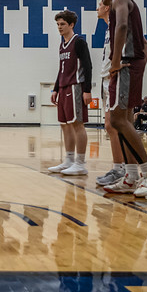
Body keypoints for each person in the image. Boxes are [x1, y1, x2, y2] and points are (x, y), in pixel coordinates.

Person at [100, 0, 147, 197]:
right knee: (123, 122)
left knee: (117, 120)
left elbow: (124, 25)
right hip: (130, 66)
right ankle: (131, 176)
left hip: (124, 66)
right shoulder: (123, 4)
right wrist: (140, 66)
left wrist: (116, 61)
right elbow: (145, 44)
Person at [47, 10, 92, 175]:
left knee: (77, 124)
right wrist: (56, 88)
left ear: (71, 25)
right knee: (65, 125)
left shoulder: (79, 42)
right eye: (58, 24)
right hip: (64, 87)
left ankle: (80, 163)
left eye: (62, 24)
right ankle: (69, 160)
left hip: (76, 86)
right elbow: (61, 69)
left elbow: (88, 66)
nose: (59, 27)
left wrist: (87, 90)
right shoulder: (62, 45)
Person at [94, 0, 127, 187]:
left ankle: (122, 169)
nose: (97, 8)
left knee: (116, 125)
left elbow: (143, 45)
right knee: (109, 125)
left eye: (99, 4)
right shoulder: (108, 28)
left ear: (107, 7)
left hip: (116, 78)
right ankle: (118, 168)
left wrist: (120, 65)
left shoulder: (119, 25)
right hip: (106, 79)